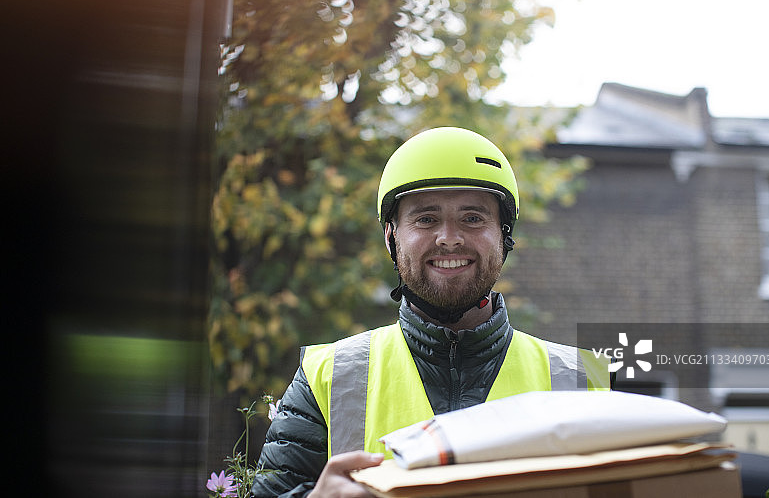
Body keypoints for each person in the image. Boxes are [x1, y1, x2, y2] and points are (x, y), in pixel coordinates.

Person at [251, 127, 610, 497]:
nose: (449, 238)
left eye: (472, 218)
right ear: (391, 237)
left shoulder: (583, 381)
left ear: (504, 237)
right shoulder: (326, 377)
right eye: (425, 219)